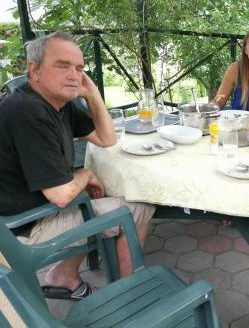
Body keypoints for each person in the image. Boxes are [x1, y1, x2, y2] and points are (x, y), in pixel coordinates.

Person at [0, 31, 155, 301]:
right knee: (140, 206)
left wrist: (92, 93)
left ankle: (64, 276)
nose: (74, 75)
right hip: (21, 232)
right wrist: (85, 174)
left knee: (95, 197)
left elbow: (107, 139)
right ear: (33, 70)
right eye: (63, 66)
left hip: (33, 211)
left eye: (80, 68)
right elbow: (60, 195)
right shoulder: (28, 111)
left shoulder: (57, 104)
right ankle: (129, 299)